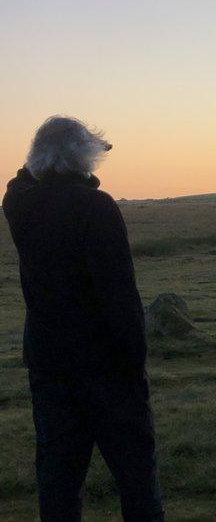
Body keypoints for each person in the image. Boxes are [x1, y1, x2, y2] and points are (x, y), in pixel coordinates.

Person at [2, 117, 164, 521]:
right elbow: (119, 294)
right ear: (79, 157)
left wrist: (41, 158)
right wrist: (134, 361)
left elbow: (18, 180)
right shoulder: (96, 206)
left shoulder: (20, 203)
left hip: (48, 363)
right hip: (105, 365)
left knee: (58, 477)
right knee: (136, 476)